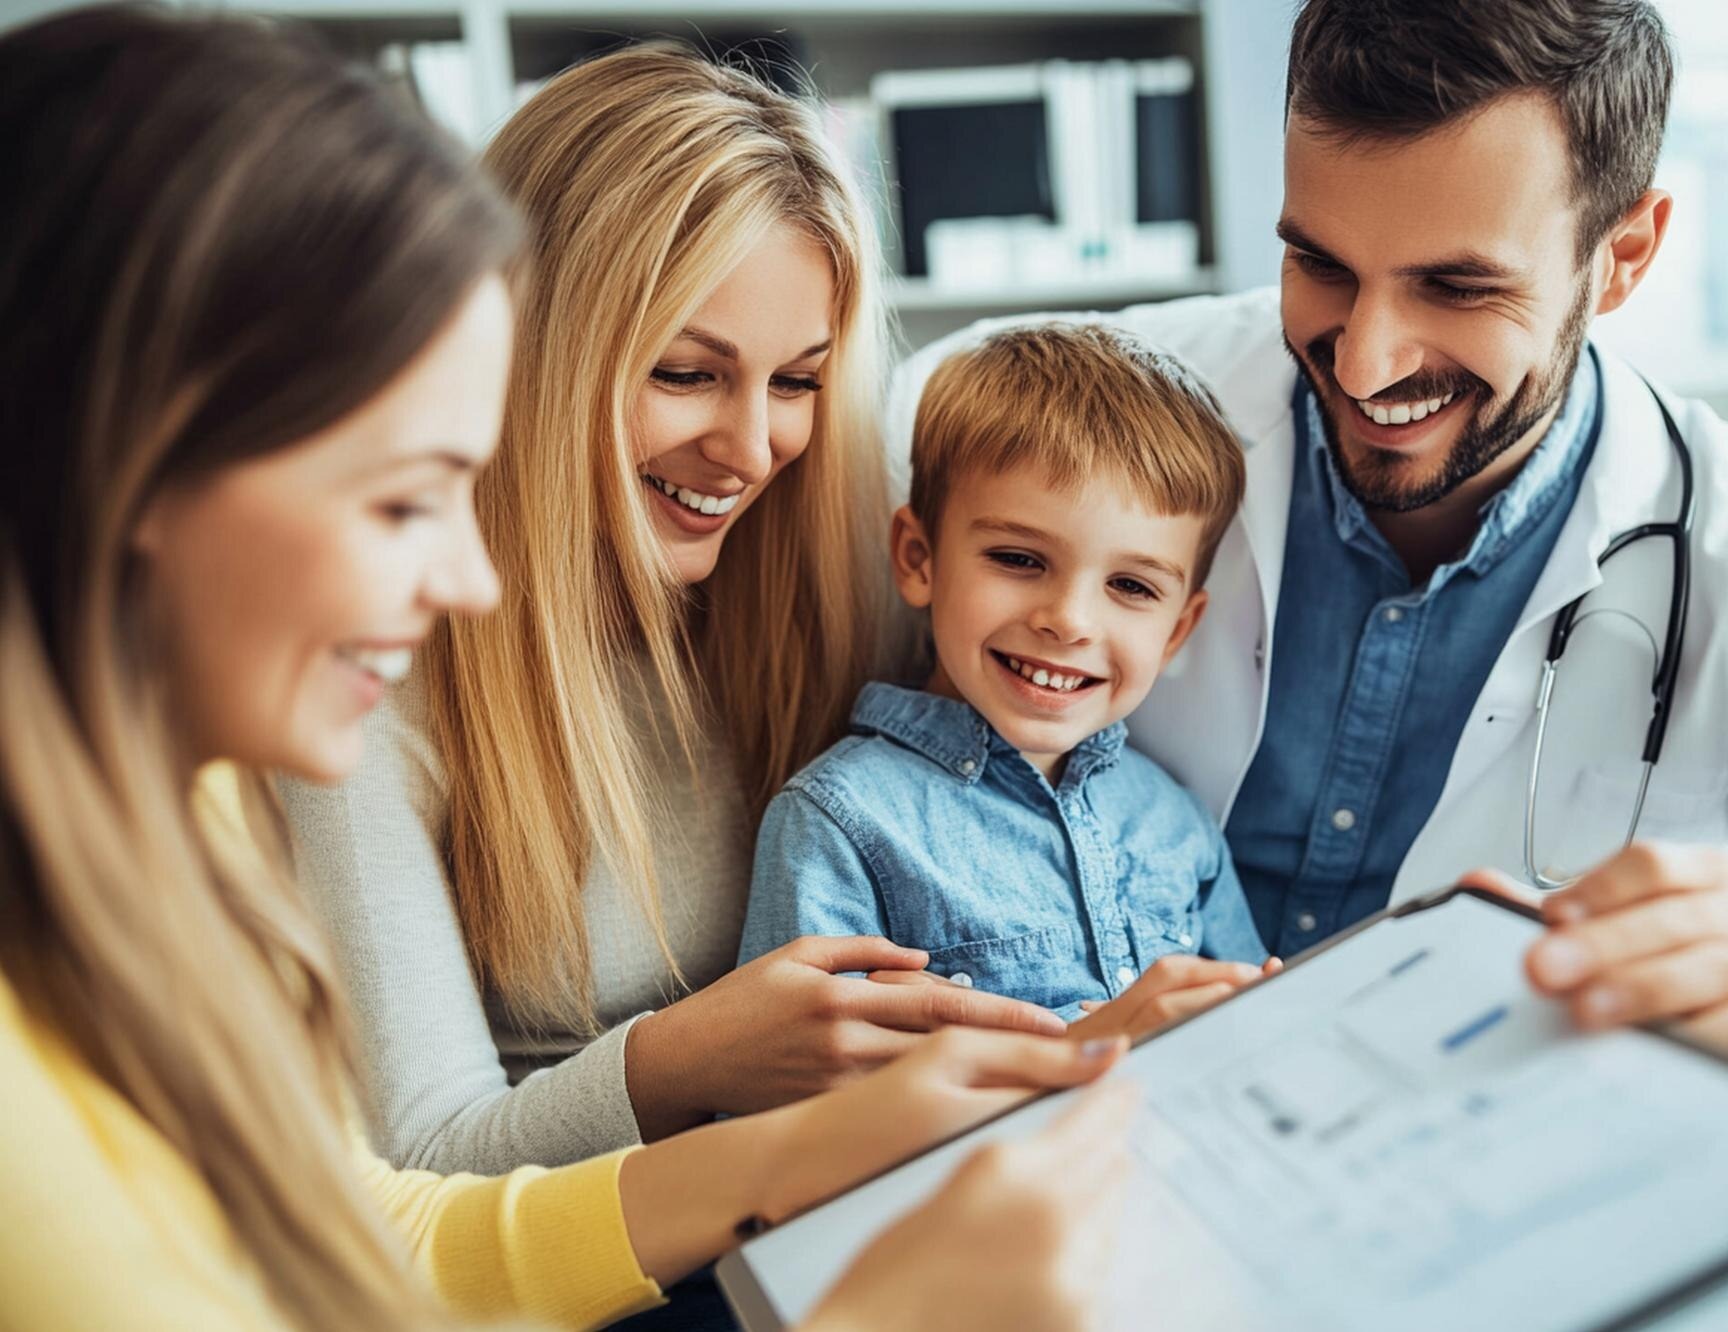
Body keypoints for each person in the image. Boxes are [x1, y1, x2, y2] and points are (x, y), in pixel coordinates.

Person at [0, 9, 1136, 1328]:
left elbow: (386, 1234)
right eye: (395, 497)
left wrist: (1031, 1055)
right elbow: (403, 1195)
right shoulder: (321, 695)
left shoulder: (146, 820)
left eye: (797, 383)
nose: (754, 448)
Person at [891, 0, 1728, 1131]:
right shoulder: (1091, 411)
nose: (1366, 362)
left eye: (1457, 288)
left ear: (1623, 255)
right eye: (1320, 263)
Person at [274, 43, 1075, 1181]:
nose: (751, 452)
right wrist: (686, 1061)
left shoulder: (830, 575)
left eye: (796, 383)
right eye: (687, 374)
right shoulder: (363, 675)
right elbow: (425, 1162)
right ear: (537, 353)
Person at [738, 324, 1277, 1029]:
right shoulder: (842, 821)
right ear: (918, 558)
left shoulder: (1177, 822)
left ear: (1178, 629)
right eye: (1019, 560)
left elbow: (1259, 1031)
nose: (1069, 621)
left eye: (1131, 587)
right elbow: (793, 1108)